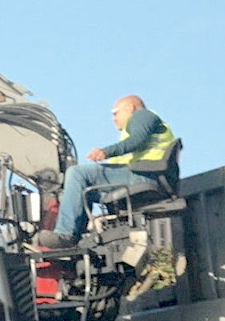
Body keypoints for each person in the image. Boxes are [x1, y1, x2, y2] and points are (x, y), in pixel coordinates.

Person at [34, 95, 177, 248]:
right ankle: (77, 239)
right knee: (83, 190)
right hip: (145, 176)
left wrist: (106, 152)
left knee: (77, 173)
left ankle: (65, 233)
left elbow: (137, 140)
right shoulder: (139, 128)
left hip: (145, 176)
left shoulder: (142, 116)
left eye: (115, 113)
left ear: (129, 108)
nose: (113, 119)